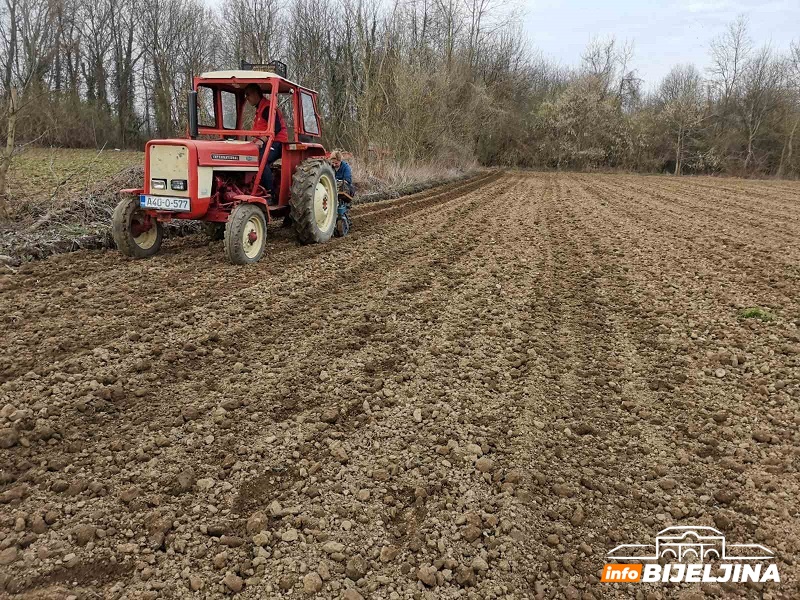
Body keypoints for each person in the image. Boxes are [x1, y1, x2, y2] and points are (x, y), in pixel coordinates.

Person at [244, 83, 288, 202]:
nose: (246, 98)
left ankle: (270, 194)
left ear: (256, 93)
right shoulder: (259, 109)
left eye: (248, 94)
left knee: (260, 160)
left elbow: (276, 127)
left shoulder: (267, 107)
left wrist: (262, 140)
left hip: (277, 143)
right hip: (265, 142)